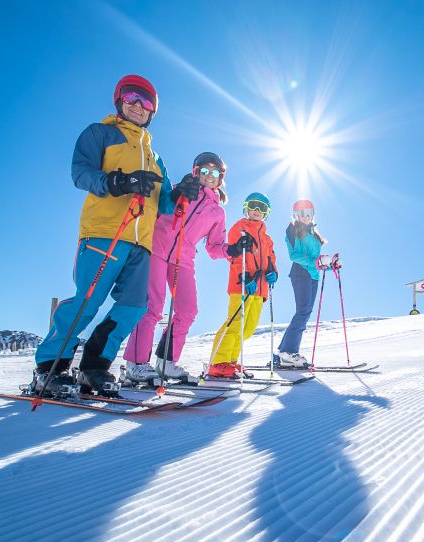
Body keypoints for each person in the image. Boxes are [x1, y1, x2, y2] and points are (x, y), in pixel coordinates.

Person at [33, 74, 194, 395]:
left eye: (146, 102)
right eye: (132, 97)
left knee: (135, 306)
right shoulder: (101, 133)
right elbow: (81, 172)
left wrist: (179, 195)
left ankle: (94, 365)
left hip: (141, 244)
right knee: (88, 301)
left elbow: (163, 203)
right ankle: (49, 367)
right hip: (104, 232)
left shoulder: (154, 156)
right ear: (120, 101)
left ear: (153, 112)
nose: (138, 105)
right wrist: (117, 182)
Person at [122, 152, 230, 383]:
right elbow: (159, 208)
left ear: (220, 178)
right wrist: (178, 191)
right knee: (153, 306)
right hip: (157, 250)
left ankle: (166, 362)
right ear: (195, 171)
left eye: (214, 172)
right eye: (204, 170)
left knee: (188, 310)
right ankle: (136, 363)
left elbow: (214, 247)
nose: (209, 176)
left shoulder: (217, 212)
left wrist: (230, 250)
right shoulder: (182, 189)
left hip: (184, 259)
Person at [207, 192, 278, 378]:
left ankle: (230, 361)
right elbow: (237, 257)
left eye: (261, 208)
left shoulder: (267, 238)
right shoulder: (239, 228)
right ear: (246, 207)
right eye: (253, 205)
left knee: (248, 328)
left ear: (266, 213)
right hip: (242, 285)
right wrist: (245, 277)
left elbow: (272, 258)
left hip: (260, 289)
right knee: (235, 323)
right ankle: (217, 362)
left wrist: (273, 272)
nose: (256, 210)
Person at [275, 199, 328, 368]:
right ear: (296, 215)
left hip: (313, 275)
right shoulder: (293, 230)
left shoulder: (313, 233)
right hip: (301, 273)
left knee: (305, 311)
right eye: (302, 213)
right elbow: (294, 256)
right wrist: (316, 261)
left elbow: (317, 259)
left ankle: (283, 351)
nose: (306, 217)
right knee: (303, 311)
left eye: (309, 213)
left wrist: (330, 262)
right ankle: (288, 352)